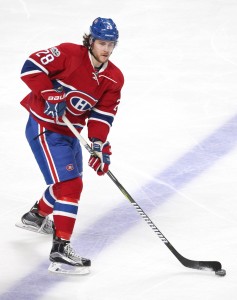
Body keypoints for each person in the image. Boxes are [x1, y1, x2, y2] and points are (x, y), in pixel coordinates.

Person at [17, 17, 124, 274]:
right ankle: (60, 250)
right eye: (101, 42)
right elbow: (30, 66)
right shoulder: (67, 53)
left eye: (111, 44)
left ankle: (36, 216)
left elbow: (102, 115)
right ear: (90, 40)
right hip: (45, 127)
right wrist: (48, 92)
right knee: (70, 184)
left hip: (70, 132)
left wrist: (98, 144)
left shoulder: (114, 78)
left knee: (70, 180)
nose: (106, 49)